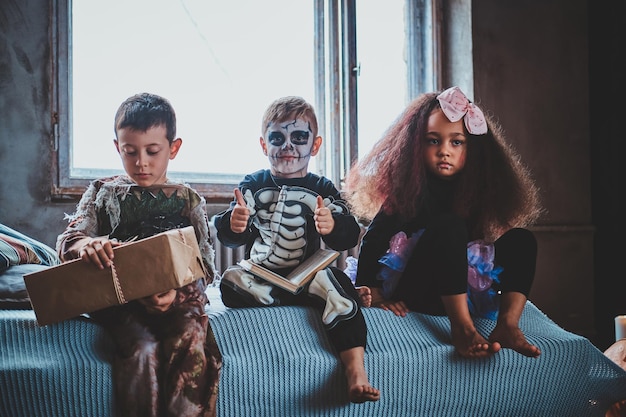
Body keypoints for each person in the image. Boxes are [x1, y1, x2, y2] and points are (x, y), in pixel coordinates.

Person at [344, 86, 544, 359]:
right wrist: (374, 292)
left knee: (522, 240)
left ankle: (507, 325)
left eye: (456, 142)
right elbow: (373, 238)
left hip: (460, 286)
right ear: (416, 146)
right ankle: (462, 328)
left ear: (472, 148)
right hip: (417, 286)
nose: (444, 151)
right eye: (433, 141)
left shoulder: (477, 190)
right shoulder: (408, 190)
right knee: (450, 226)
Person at [57, 92, 222, 417]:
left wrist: (175, 295)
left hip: (177, 301)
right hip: (122, 303)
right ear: (118, 147)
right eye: (130, 152)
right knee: (140, 349)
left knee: (189, 338)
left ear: (173, 149)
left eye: (152, 151)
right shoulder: (103, 194)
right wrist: (85, 245)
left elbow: (204, 268)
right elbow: (67, 240)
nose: (141, 162)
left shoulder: (187, 200)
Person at [213, 95, 380, 403]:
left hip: (308, 274)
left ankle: (356, 371)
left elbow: (349, 235)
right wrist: (234, 224)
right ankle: (302, 299)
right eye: (277, 138)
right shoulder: (253, 184)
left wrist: (331, 226)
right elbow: (230, 234)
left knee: (337, 281)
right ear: (264, 145)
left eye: (298, 137)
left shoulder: (323, 189)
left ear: (314, 146)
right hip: (263, 276)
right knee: (229, 282)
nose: (288, 146)